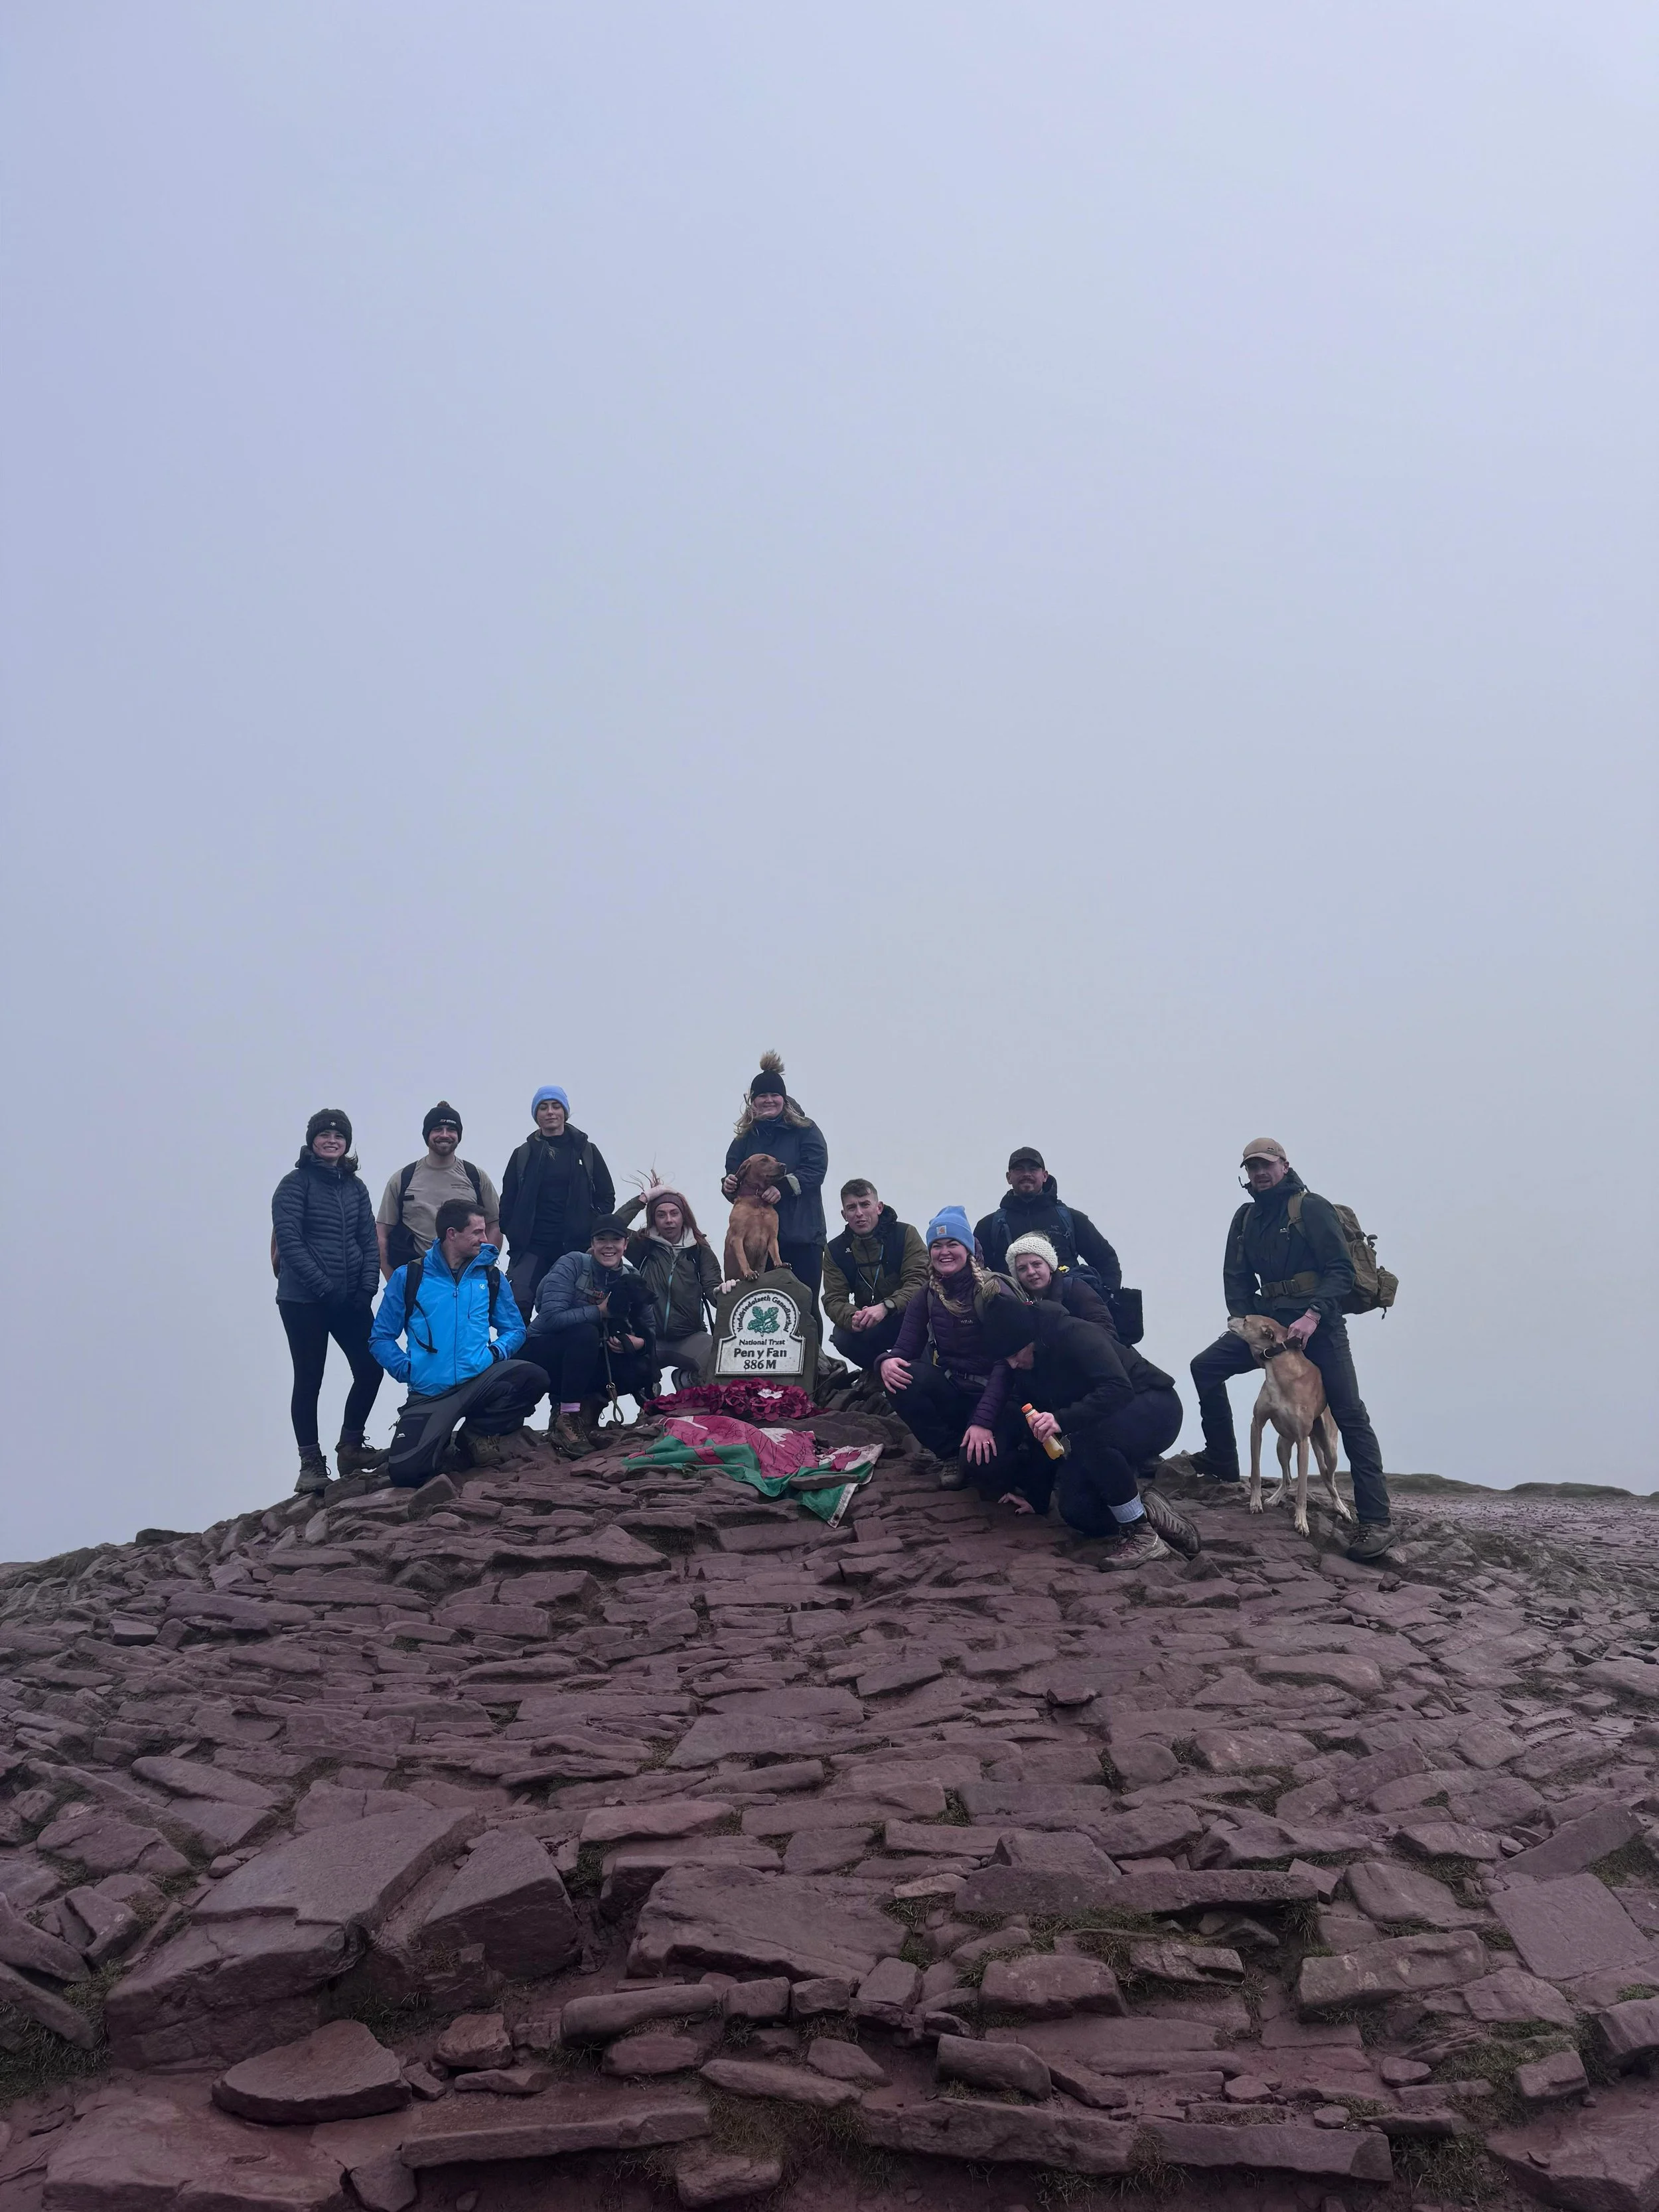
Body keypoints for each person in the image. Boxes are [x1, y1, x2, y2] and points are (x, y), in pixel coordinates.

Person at [1188, 1138, 1392, 1562]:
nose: (1259, 1173)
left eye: (1266, 1165)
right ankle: (1225, 1461)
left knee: (1349, 1411)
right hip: (1268, 1325)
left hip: (1319, 1325)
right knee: (1205, 1367)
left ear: (1284, 1165)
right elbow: (1236, 1279)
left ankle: (1375, 1520)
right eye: (1251, 1168)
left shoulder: (1310, 1207)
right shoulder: (1245, 1218)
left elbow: (1339, 1270)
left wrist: (1314, 1314)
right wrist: (1252, 1329)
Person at [979, 1295, 1192, 1568]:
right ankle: (1149, 1511)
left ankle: (1141, 1534)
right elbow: (1040, 1431)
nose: (1012, 1365)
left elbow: (1118, 1388)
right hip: (1098, 1424)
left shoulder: (1074, 1333)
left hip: (1155, 1408)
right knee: (1077, 1511)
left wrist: (1061, 1419)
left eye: (1014, 1356)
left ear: (1029, 1339)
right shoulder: (1027, 1366)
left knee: (1092, 1438)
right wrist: (1037, 1498)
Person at [370, 1197, 545, 1487]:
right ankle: (442, 1442)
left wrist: (494, 1353)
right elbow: (381, 1337)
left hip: (478, 1382)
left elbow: (515, 1329)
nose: (485, 1239)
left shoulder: (491, 1277)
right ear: (452, 1234)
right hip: (429, 1393)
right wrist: (406, 1369)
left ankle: (474, 1435)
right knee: (407, 1474)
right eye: (477, 1232)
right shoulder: (409, 1276)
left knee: (532, 1378)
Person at [271, 1109, 386, 1495]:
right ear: (312, 1140)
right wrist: (325, 1288)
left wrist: (366, 1288)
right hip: (303, 1299)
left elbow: (369, 1242)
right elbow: (290, 1243)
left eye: (339, 1135)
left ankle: (350, 1447)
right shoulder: (294, 1184)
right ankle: (310, 1463)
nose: (332, 1140)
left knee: (371, 1368)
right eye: (324, 1134)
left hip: (351, 1297)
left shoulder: (356, 1187)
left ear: (348, 1143)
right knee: (310, 1378)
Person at [879, 1208, 1023, 1492]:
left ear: (967, 1249)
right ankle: (949, 1454)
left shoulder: (994, 1292)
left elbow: (1008, 1364)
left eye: (953, 1244)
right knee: (900, 1377)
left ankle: (1011, 1452)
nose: (944, 1252)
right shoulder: (928, 1293)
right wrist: (885, 1362)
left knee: (988, 1476)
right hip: (955, 1390)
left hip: (1001, 1398)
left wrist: (982, 1421)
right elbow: (905, 1348)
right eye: (937, 1246)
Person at [525, 1216, 658, 1457]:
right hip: (543, 1352)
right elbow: (549, 1318)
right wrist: (599, 1311)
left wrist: (640, 1344)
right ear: (592, 1243)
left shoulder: (631, 1274)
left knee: (642, 1365)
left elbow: (649, 1326)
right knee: (585, 1333)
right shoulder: (572, 1264)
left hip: (587, 1360)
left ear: (625, 1244)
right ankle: (567, 1419)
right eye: (601, 1239)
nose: (609, 1246)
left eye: (616, 1239)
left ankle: (591, 1405)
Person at [499, 1086, 616, 1323]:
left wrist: (588, 1223)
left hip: (574, 1247)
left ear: (565, 1112)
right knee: (516, 1305)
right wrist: (514, 1231)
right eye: (543, 1107)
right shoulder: (523, 1154)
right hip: (532, 1246)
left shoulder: (587, 1151)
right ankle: (519, 1360)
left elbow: (607, 1197)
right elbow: (508, 1201)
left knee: (572, 1307)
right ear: (536, 1115)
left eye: (556, 1106)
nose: (550, 1112)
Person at [721, 1053, 828, 1305]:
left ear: (784, 1098)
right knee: (762, 1308)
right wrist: (727, 1186)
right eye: (762, 1096)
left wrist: (784, 1187)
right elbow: (732, 1174)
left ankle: (812, 1348)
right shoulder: (744, 1138)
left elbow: (816, 1168)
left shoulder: (806, 1129)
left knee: (805, 1304)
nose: (769, 1100)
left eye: (774, 1095)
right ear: (753, 1101)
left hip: (803, 1235)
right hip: (756, 1244)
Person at [616, 1183, 721, 1392]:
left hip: (689, 1336)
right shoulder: (643, 1245)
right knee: (625, 1367)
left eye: (675, 1213)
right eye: (661, 1215)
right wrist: (643, 1199)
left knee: (719, 1361)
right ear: (653, 1219)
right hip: (647, 1338)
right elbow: (612, 1227)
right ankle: (647, 1396)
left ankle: (685, 1380)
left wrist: (725, 1292)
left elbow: (713, 1288)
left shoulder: (700, 1250)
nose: (669, 1220)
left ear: (684, 1216)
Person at [377, 1104, 500, 1278]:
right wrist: (395, 1282)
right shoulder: (402, 1179)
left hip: (466, 1278)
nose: (444, 1135)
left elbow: (494, 1225)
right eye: (437, 1129)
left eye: (451, 1129)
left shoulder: (476, 1177)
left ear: (459, 1135)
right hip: (418, 1279)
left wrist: (484, 1269)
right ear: (427, 1134)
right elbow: (382, 1234)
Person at [975, 1148, 1123, 1291]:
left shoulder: (1072, 1219)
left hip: (1070, 1309)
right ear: (1009, 1177)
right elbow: (975, 1272)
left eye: (1033, 1169)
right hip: (1010, 1311)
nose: (1026, 1174)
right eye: (1019, 1169)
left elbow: (1106, 1261)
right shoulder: (988, 1226)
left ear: (1045, 1176)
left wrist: (1105, 1297)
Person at [822, 1181, 928, 1369]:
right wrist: (852, 1317)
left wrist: (886, 1306)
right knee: (841, 1336)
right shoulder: (835, 1250)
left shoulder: (905, 1234)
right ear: (844, 1215)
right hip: (868, 1320)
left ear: (879, 1207)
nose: (859, 1213)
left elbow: (920, 1282)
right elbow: (833, 1298)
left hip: (908, 1317)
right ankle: (879, 1372)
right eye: (851, 1208)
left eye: (865, 1204)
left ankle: (914, 1370)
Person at [1005, 1234, 1118, 1335]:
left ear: (1050, 1266)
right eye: (1022, 1269)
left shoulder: (1075, 1288)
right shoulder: (1019, 1301)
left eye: (1037, 1264)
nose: (1031, 1272)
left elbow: (1107, 1329)